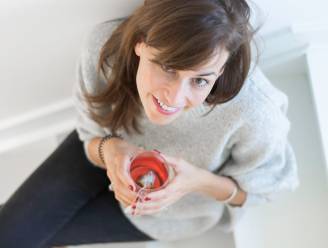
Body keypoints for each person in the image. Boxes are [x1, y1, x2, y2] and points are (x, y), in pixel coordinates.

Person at [0, 0, 300, 247]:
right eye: (168, 67)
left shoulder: (256, 111)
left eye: (200, 80)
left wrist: (195, 180)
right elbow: (89, 135)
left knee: (36, 237)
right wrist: (112, 150)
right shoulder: (104, 49)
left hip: (168, 213)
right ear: (141, 43)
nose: (175, 97)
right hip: (103, 152)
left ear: (221, 69)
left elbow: (265, 189)